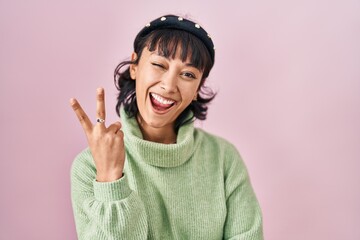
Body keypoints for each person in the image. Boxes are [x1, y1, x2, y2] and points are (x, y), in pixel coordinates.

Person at [70, 14, 263, 240]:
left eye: (188, 74)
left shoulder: (224, 158)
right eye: (159, 65)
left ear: (198, 89)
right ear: (134, 66)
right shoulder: (88, 167)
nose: (169, 85)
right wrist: (110, 180)